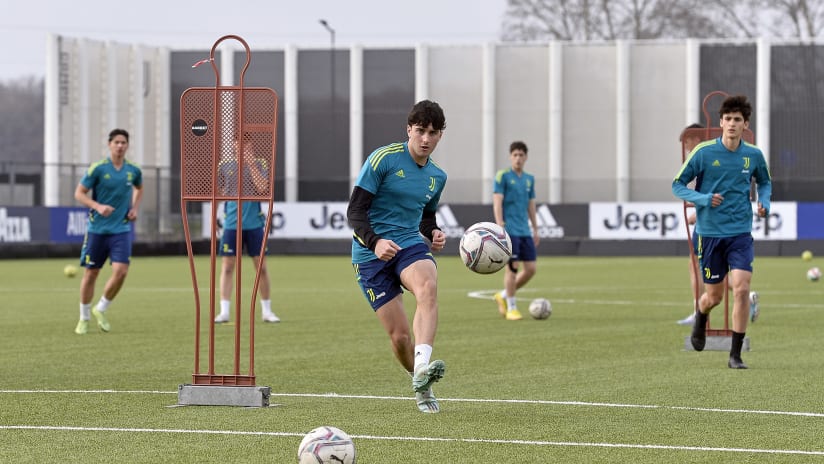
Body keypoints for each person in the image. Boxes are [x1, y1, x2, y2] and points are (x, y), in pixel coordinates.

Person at [347, 100, 448, 413]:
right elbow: (355, 211)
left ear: (440, 135)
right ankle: (419, 381)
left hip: (408, 245)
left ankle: (422, 368)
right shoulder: (383, 159)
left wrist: (433, 232)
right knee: (401, 337)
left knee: (427, 288)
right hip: (369, 253)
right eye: (420, 131)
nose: (426, 139)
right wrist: (375, 242)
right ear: (409, 130)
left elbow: (425, 217)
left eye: (433, 132)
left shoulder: (437, 177)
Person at [672, 95, 771, 369]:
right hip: (710, 234)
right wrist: (703, 199)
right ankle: (701, 315)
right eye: (727, 119)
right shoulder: (703, 152)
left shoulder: (753, 155)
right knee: (713, 297)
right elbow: (677, 184)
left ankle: (735, 355)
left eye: (737, 120)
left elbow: (764, 182)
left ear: (745, 124)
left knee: (741, 289)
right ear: (721, 122)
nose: (731, 124)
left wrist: (765, 202)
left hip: (740, 233)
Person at [676, 124, 759, 326]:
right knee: (701, 266)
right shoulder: (711, 153)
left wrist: (699, 211)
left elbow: (719, 189)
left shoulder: (707, 154)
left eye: (687, 143)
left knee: (699, 265)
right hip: (711, 221)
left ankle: (699, 308)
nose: (687, 148)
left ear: (695, 140)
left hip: (712, 226)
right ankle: (742, 295)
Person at [73, 128, 143, 335]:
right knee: (91, 273)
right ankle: (83, 318)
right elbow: (79, 193)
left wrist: (135, 207)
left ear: (127, 145)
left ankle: (100, 308)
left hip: (121, 229)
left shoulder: (133, 170)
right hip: (97, 229)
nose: (120, 146)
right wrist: (97, 206)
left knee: (121, 271)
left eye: (124, 143)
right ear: (109, 144)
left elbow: (140, 188)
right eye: (117, 142)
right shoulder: (97, 169)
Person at [214, 134, 279, 324]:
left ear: (251, 145)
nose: (241, 147)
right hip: (231, 224)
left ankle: (266, 310)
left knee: (261, 268)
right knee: (227, 267)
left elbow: (262, 188)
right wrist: (214, 218)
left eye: (245, 144)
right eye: (238, 144)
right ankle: (224, 310)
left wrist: (250, 164)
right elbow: (219, 193)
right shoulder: (224, 165)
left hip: (254, 224)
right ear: (233, 145)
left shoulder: (260, 164)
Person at [492, 141, 539, 321]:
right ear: (511, 157)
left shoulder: (529, 179)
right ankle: (512, 307)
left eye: (521, 155)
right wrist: (499, 225)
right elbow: (497, 200)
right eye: (515, 155)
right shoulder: (502, 176)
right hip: (509, 230)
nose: (518, 158)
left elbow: (531, 204)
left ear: (525, 157)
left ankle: (503, 295)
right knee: (512, 268)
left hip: (525, 231)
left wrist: (535, 228)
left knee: (531, 269)